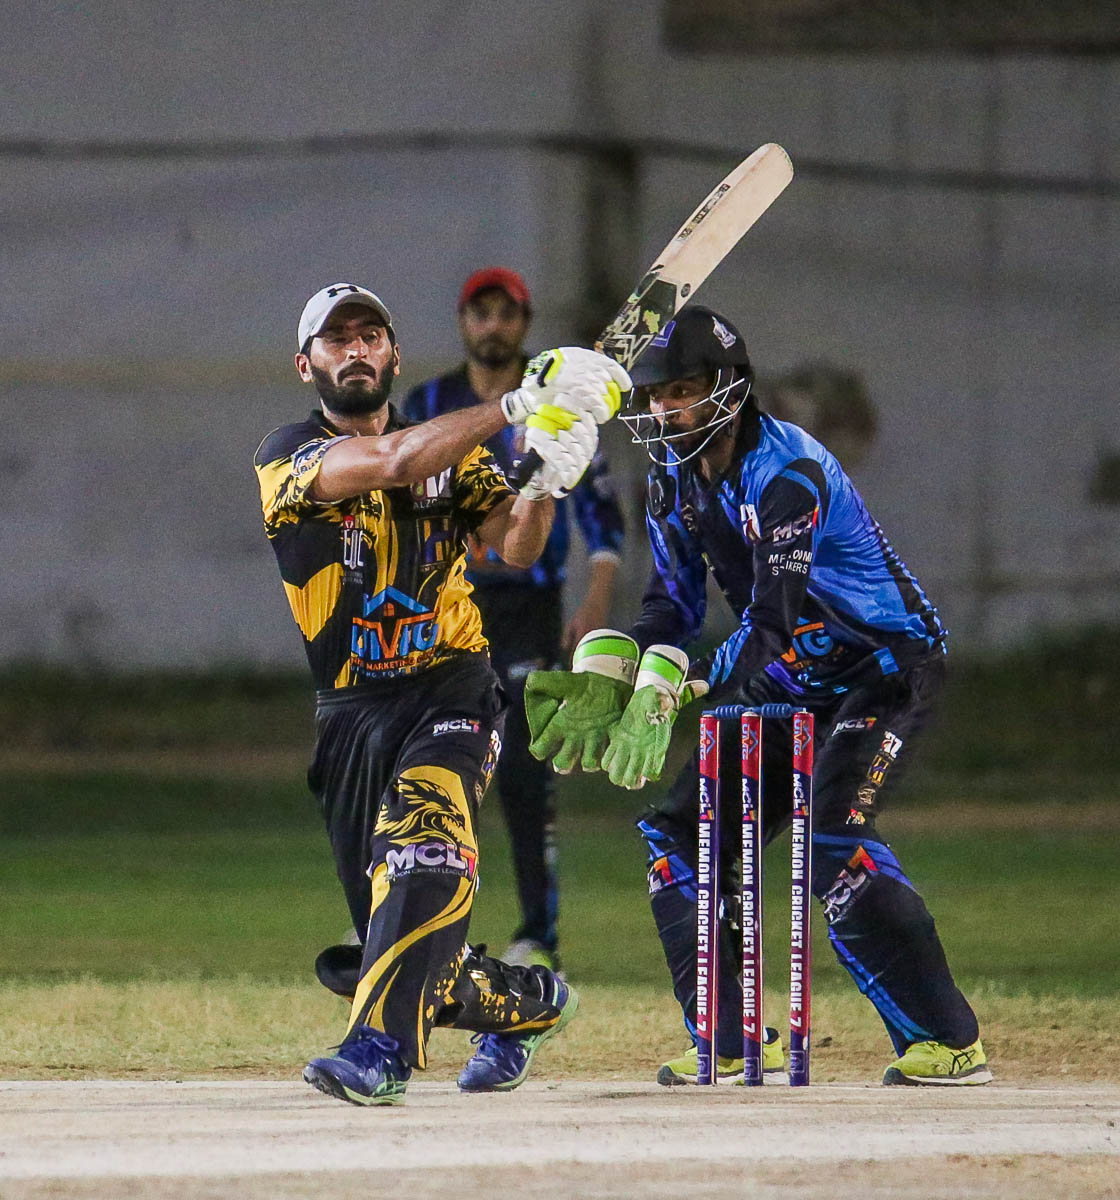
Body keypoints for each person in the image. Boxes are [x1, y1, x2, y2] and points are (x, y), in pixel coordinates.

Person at [524, 306, 992, 1087]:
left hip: (881, 670)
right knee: (677, 838)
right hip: (791, 680)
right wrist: (618, 671)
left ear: (730, 390)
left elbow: (772, 622)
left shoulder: (788, 474)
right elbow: (670, 605)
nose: (665, 410)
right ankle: (734, 1038)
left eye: (682, 391)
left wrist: (681, 689)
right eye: (656, 395)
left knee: (833, 837)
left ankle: (949, 1043)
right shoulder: (672, 477)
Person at [253, 282, 629, 1104]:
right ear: (306, 365)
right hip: (350, 714)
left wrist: (546, 477)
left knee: (423, 850)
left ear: (394, 353)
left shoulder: (455, 456)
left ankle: (379, 1052)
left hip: (451, 690)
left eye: (370, 335)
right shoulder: (288, 456)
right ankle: (530, 1002)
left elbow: (517, 548)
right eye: (337, 339)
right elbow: (392, 462)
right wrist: (517, 406)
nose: (356, 350)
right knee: (403, 943)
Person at [404, 268, 625, 974]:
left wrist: (595, 601)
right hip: (447, 605)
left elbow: (602, 512)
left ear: (524, 323)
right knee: (433, 766)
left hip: (529, 606)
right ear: (463, 321)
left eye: (507, 313)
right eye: (482, 312)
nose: (493, 325)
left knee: (527, 774)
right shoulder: (429, 404)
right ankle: (412, 921)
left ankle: (538, 935)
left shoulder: (556, 399)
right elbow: (399, 496)